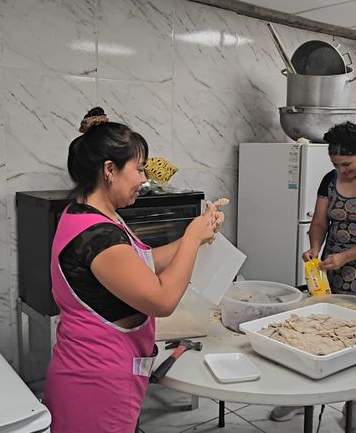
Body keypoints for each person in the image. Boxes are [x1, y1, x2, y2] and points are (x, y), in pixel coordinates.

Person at [43, 107, 225, 433]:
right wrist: (192, 236)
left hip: (98, 372)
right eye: (139, 169)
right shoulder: (96, 236)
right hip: (96, 383)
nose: (144, 179)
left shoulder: (93, 214)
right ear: (110, 169)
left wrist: (197, 238)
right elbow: (162, 299)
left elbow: (142, 264)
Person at [270, 121, 356, 431]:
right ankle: (300, 398)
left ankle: (351, 403)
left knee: (355, 339)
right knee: (316, 333)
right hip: (330, 271)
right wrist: (314, 248)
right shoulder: (329, 180)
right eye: (335, 164)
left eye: (347, 164)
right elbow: (318, 221)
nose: (341, 170)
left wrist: (345, 256)